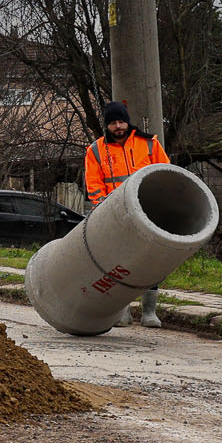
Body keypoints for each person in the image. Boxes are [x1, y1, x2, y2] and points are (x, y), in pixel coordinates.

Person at [83, 99, 170, 325]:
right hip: (115, 215)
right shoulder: (95, 150)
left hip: (147, 212)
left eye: (121, 121)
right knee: (118, 264)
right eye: (113, 123)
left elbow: (165, 173)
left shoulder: (149, 144)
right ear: (107, 125)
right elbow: (94, 183)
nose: (118, 126)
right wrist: (103, 208)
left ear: (127, 122)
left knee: (149, 261)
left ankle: (149, 312)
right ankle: (122, 311)